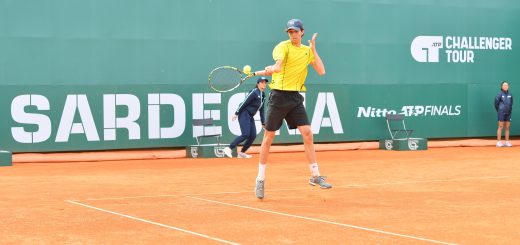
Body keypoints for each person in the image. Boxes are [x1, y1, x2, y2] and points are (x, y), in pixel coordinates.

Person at [249, 18, 331, 199]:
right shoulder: (282, 47)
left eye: (295, 31)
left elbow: (321, 70)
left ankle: (315, 176)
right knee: (269, 136)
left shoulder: (307, 51)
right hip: (278, 96)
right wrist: (274, 68)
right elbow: (278, 65)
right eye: (290, 32)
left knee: (307, 132)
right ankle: (260, 179)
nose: (293, 34)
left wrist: (313, 49)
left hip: (295, 98)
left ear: (302, 32)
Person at [223, 77, 268, 158]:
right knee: (246, 134)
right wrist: (236, 113)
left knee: (253, 135)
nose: (264, 84)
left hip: (250, 116)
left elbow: (262, 109)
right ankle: (229, 148)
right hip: (244, 113)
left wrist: (263, 122)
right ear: (258, 84)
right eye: (262, 82)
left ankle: (241, 153)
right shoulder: (254, 92)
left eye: (265, 82)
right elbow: (244, 102)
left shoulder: (263, 95)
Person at [495, 81, 513, 147]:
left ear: (508, 86)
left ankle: (507, 142)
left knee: (507, 127)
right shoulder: (499, 94)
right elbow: (496, 103)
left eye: (507, 85)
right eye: (504, 85)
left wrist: (509, 110)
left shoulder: (510, 94)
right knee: (500, 127)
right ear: (502, 86)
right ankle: (499, 142)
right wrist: (499, 110)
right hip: (501, 113)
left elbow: (511, 104)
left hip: (508, 113)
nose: (505, 86)